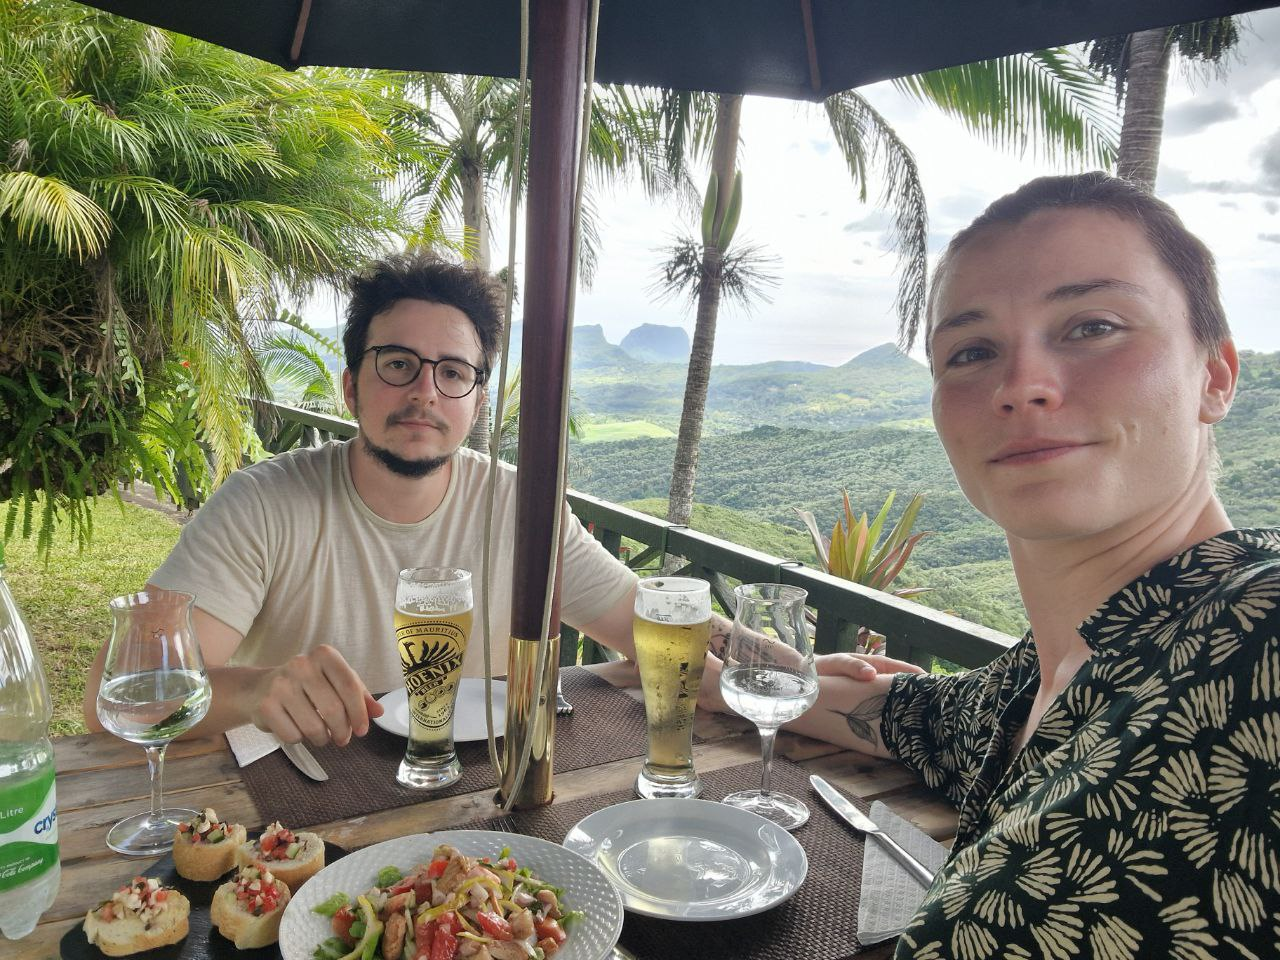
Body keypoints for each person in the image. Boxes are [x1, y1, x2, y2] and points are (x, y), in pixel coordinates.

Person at [708, 172, 1280, 956]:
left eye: (1093, 326)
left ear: (1214, 376)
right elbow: (904, 716)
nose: (1022, 386)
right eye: (972, 351)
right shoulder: (1038, 684)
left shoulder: (1258, 636)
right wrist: (711, 669)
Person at [82, 255, 653, 746]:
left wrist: (714, 667)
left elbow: (656, 636)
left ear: (477, 403)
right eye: (398, 364)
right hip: (304, 796)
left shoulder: (522, 507)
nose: (425, 392)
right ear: (351, 387)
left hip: (482, 798)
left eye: (453, 372)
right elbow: (116, 699)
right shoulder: (261, 505)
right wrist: (256, 690)